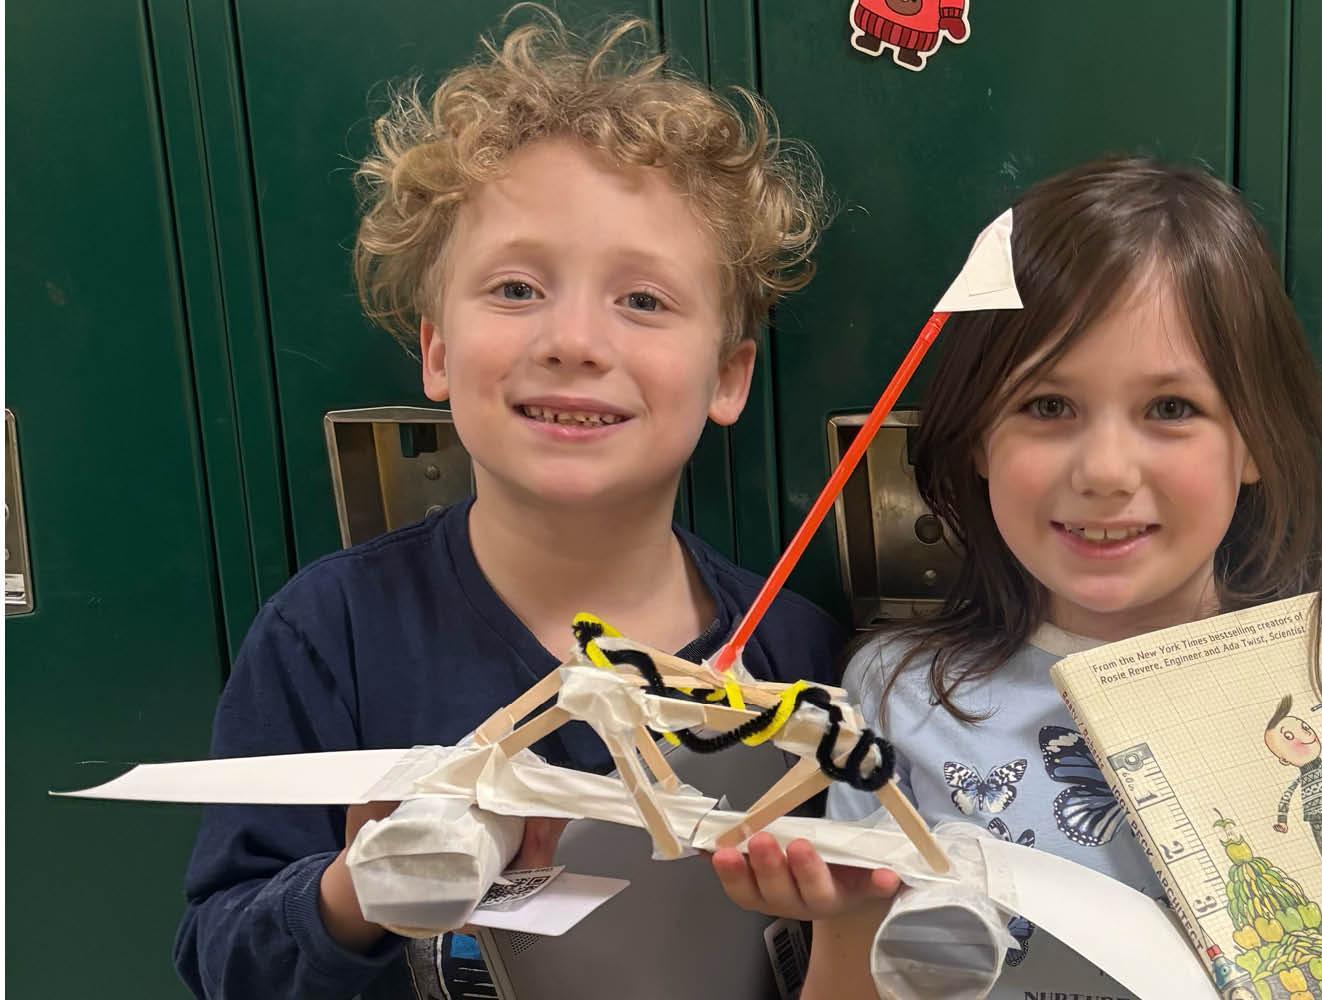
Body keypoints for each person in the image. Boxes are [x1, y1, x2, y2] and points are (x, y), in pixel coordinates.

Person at [175, 11, 842, 998]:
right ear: (437, 349)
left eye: (644, 301)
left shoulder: (800, 654)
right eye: (519, 287)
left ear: (728, 376)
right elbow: (221, 957)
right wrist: (356, 892)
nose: (574, 339)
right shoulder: (327, 636)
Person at [712, 155, 1322, 996]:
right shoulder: (898, 693)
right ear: (981, 440)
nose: (1103, 470)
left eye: (1171, 409)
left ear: (1254, 443)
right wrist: (842, 917)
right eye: (1048, 406)